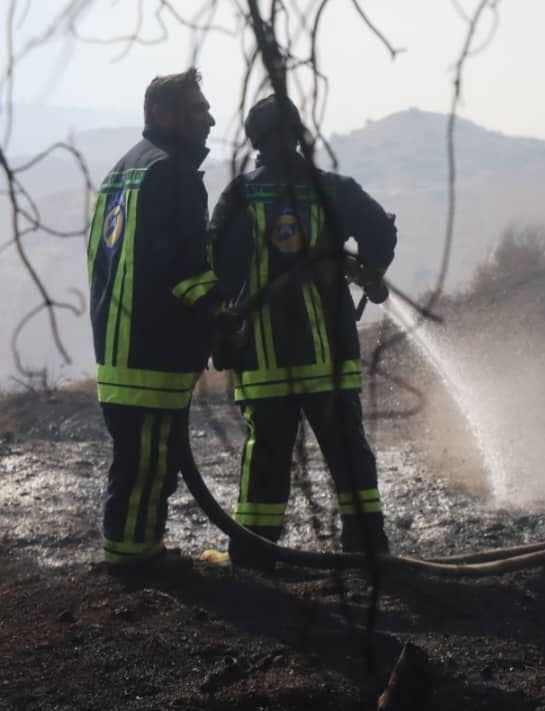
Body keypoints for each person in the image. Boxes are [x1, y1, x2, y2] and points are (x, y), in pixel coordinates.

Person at [207, 94, 397, 571]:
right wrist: (370, 271)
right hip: (329, 357)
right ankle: (368, 550)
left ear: (254, 141)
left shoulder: (240, 196)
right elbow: (380, 232)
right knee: (349, 454)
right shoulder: (332, 189)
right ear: (298, 134)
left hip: (265, 361)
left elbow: (217, 269)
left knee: (266, 461)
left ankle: (254, 558)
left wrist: (222, 331)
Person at [86, 68, 218, 573]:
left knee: (139, 455)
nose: (210, 120)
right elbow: (186, 271)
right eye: (198, 109)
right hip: (154, 348)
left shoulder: (120, 173)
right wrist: (222, 318)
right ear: (163, 115)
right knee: (149, 463)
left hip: (117, 345)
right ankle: (135, 559)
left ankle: (132, 550)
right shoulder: (173, 174)